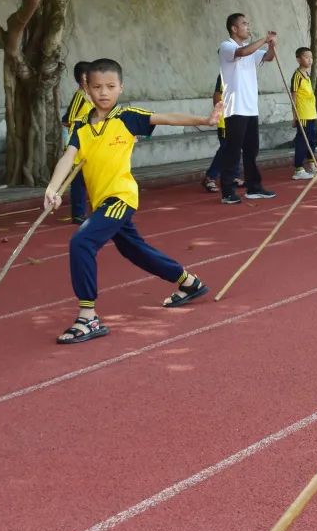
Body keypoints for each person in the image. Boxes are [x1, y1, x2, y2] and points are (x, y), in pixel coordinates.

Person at [43, 58, 221, 344]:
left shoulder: (126, 118)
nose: (104, 92)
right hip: (102, 202)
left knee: (81, 242)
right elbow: (68, 157)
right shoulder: (82, 129)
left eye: (111, 86)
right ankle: (188, 282)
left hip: (121, 197)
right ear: (86, 89)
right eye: (97, 87)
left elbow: (164, 118)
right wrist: (53, 188)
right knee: (134, 250)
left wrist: (204, 120)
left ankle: (88, 318)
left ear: (121, 88)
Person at [219, 13, 277, 205]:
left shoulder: (250, 50)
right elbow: (242, 54)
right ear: (234, 29)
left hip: (251, 108)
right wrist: (263, 39)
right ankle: (227, 191)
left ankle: (254, 187)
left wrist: (271, 45)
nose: (247, 26)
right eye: (244, 23)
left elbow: (268, 58)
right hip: (235, 108)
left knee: (252, 150)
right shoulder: (227, 46)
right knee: (233, 151)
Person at [61, 61, 92, 224]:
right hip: (79, 146)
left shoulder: (93, 97)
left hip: (93, 144)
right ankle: (78, 213)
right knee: (79, 180)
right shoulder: (79, 97)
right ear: (83, 77)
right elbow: (68, 120)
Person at [202, 74, 243, 192]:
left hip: (240, 117)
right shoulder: (226, 73)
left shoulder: (245, 74)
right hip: (226, 119)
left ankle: (234, 176)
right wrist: (218, 114)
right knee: (226, 148)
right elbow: (217, 95)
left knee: (237, 147)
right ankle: (210, 176)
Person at [291, 46, 317, 180]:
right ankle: (298, 169)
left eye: (311, 57)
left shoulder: (308, 75)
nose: (310, 60)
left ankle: (312, 165)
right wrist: (294, 116)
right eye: (306, 57)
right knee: (302, 141)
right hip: (303, 115)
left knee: (312, 140)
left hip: (312, 114)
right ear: (298, 59)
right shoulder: (297, 76)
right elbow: (293, 97)